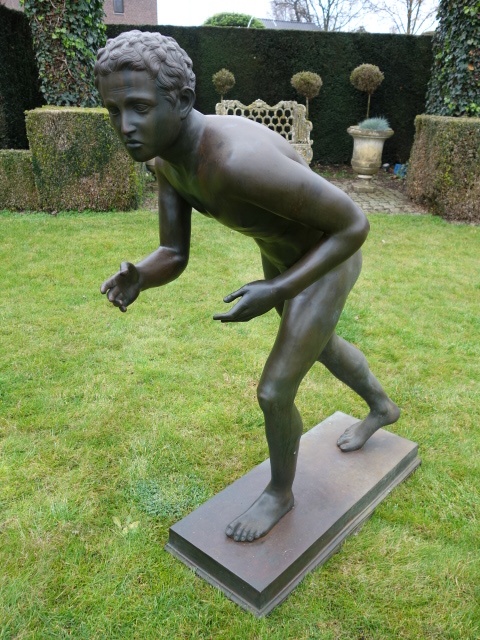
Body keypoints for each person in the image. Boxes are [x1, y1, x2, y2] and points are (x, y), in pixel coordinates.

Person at [95, 31, 400, 543]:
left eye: (140, 108)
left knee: (274, 390)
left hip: (327, 257)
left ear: (182, 101)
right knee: (321, 347)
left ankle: (280, 494)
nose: (126, 127)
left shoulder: (237, 161)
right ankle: (382, 407)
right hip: (284, 259)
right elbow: (174, 253)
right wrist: (142, 275)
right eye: (114, 111)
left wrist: (278, 289)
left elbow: (353, 225)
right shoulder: (167, 161)